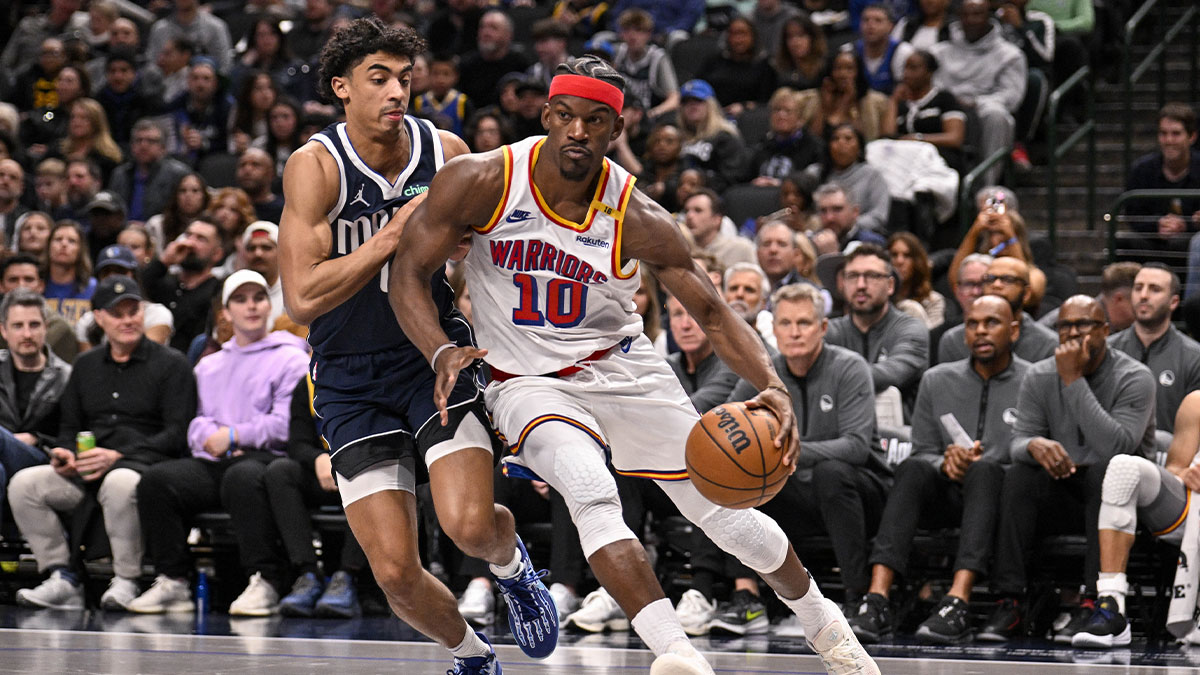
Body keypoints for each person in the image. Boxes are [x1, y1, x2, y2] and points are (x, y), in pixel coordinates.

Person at [390, 55, 880, 675]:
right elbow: (408, 273)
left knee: (720, 508)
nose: (577, 131)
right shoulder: (483, 179)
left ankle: (825, 625)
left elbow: (711, 309)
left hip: (621, 366)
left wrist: (774, 385)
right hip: (527, 381)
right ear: (546, 115)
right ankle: (676, 654)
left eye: (596, 121)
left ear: (615, 130)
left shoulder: (638, 214)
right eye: (565, 116)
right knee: (591, 490)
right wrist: (440, 348)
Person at [277, 19, 554, 673]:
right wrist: (386, 238)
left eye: (405, 77)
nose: (397, 90)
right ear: (342, 87)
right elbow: (300, 298)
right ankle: (472, 653)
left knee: (468, 524)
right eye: (379, 78)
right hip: (347, 376)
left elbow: (493, 256)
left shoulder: (447, 149)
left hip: (429, 356)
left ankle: (512, 567)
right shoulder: (315, 166)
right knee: (396, 572)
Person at [126, 270, 309, 616]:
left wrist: (235, 435)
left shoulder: (291, 357)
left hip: (266, 459)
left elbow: (285, 424)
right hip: (217, 457)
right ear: (225, 312)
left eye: (257, 298)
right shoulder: (209, 365)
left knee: (243, 477)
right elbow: (197, 421)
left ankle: (266, 578)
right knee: (157, 481)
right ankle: (174, 581)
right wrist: (211, 439)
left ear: (268, 306)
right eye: (240, 300)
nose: (251, 306)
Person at [9, 275, 195, 611]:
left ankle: (126, 578)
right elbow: (69, 427)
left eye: (133, 311)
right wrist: (64, 453)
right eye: (117, 313)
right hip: (86, 467)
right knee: (25, 484)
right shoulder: (85, 366)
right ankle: (61, 576)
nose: (127, 320)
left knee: (120, 481)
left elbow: (176, 434)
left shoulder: (173, 364)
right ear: (99, 317)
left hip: (143, 465)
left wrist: (119, 455)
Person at [850, 295, 1026, 644]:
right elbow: (924, 449)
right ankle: (877, 599)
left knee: (986, 471)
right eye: (972, 324)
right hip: (947, 493)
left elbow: (1031, 452)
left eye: (991, 323)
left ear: (1014, 330)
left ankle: (957, 602)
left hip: (1004, 501)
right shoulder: (936, 379)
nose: (980, 331)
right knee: (914, 467)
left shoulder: (1034, 380)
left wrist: (984, 462)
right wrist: (944, 462)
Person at [980, 295, 1156, 643]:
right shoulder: (1039, 374)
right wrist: (1034, 445)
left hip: (1122, 506)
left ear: (1105, 330)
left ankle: (1094, 602)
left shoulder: (1135, 377)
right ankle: (1011, 601)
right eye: (1064, 326)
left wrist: (1073, 381)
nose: (1073, 334)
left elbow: (1119, 447)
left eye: (1084, 325)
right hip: (1062, 495)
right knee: (1018, 474)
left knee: (1105, 471)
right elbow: (1017, 442)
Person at [1071, 389, 1200, 648]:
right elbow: (1175, 467)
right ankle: (1112, 606)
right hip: (1192, 505)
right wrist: (1186, 473)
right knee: (1123, 468)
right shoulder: (1196, 402)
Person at [269, 374, 371, 618]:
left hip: (364, 466)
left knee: (376, 472)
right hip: (324, 476)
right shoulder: (307, 384)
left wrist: (341, 460)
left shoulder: (372, 376)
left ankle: (347, 576)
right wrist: (317, 458)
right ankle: (308, 575)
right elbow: (297, 443)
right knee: (280, 472)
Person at [824, 244, 929, 419]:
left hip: (899, 438)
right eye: (852, 276)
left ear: (890, 285)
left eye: (871, 276)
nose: (861, 285)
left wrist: (830, 378)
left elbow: (894, 374)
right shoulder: (830, 331)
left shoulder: (910, 328)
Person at [929, 0, 1027, 185]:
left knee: (997, 115)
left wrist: (976, 103)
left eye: (977, 14)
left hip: (984, 108)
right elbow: (933, 87)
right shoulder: (939, 52)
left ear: (989, 17)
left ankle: (987, 185)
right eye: (965, 15)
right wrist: (952, 102)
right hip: (947, 108)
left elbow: (1012, 96)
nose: (971, 20)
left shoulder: (1010, 54)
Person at [0, 289, 72, 523]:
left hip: (43, 460)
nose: (27, 334)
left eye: (34, 325)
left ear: (46, 327)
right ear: (4, 330)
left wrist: (36, 439)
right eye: (18, 326)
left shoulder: (67, 377)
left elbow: (71, 434)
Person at [1107, 264, 1200, 440]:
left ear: (1173, 302)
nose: (1143, 295)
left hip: (1171, 460)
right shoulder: (1107, 351)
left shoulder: (1194, 357)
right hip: (1113, 457)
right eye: (1138, 288)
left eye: (1154, 289)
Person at [938, 257, 1057, 364]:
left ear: (1026, 293)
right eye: (990, 279)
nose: (996, 285)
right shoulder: (954, 341)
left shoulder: (1047, 344)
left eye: (1008, 279)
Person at [1126, 104, 1200, 263]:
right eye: (1163, 134)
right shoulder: (1142, 169)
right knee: (1124, 241)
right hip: (1152, 240)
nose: (1169, 140)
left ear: (1192, 136)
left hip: (1191, 240)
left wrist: (1187, 225)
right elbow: (1132, 214)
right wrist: (1158, 223)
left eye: (1176, 134)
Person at [143, 218, 224, 352]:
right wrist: (164, 262)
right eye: (188, 235)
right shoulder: (164, 281)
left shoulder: (218, 290)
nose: (190, 243)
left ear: (217, 254)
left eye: (201, 239)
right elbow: (138, 289)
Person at [107, 119, 193, 224]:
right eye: (138, 140)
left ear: (163, 147)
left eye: (151, 141)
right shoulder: (120, 174)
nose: (143, 145)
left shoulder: (178, 174)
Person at [0, 255, 78, 363]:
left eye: (29, 279)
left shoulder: (61, 329)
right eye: (13, 280)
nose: (21, 286)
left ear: (41, 285)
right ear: (1, 286)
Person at [610, 9, 680, 120]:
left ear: (649, 34)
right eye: (627, 30)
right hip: (621, 113)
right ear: (621, 33)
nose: (632, 36)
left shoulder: (658, 58)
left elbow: (674, 99)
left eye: (638, 30)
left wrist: (652, 114)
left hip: (648, 117)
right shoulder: (617, 54)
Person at [682, 189, 756, 269]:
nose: (689, 216)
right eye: (686, 211)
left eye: (698, 210)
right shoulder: (680, 250)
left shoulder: (741, 249)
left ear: (717, 219)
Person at [42, 222, 97, 330]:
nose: (64, 244)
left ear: (80, 249)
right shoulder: (36, 285)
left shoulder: (93, 288)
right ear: (48, 246)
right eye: (58, 239)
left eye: (72, 241)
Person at [810, 182, 887, 255]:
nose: (829, 217)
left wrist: (831, 255)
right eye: (823, 211)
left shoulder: (871, 243)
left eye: (837, 209)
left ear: (855, 212)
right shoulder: (811, 242)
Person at [888, 232, 945, 329]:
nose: (899, 261)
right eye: (894, 255)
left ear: (917, 261)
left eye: (907, 255)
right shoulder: (880, 299)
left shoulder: (933, 300)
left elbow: (933, 338)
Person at [235, 148, 285, 225]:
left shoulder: (283, 211)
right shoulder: (229, 208)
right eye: (242, 165)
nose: (247, 170)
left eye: (255, 164)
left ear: (271, 173)